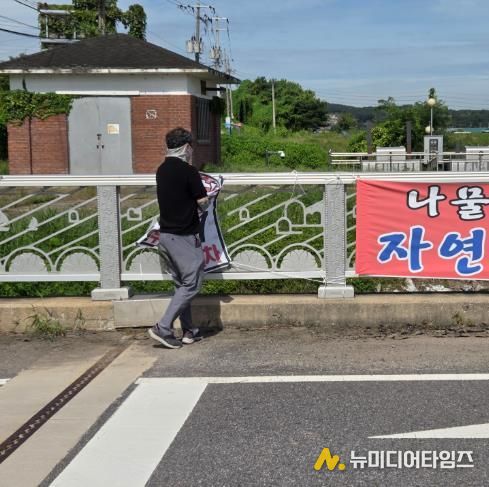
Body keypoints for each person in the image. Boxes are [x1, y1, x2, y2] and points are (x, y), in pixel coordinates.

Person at [148, 127, 209, 349]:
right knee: (192, 284)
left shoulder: (162, 170)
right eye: (191, 147)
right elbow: (202, 201)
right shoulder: (189, 171)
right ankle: (163, 328)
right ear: (185, 147)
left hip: (165, 236)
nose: (192, 151)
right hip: (183, 237)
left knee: (181, 286)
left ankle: (189, 330)